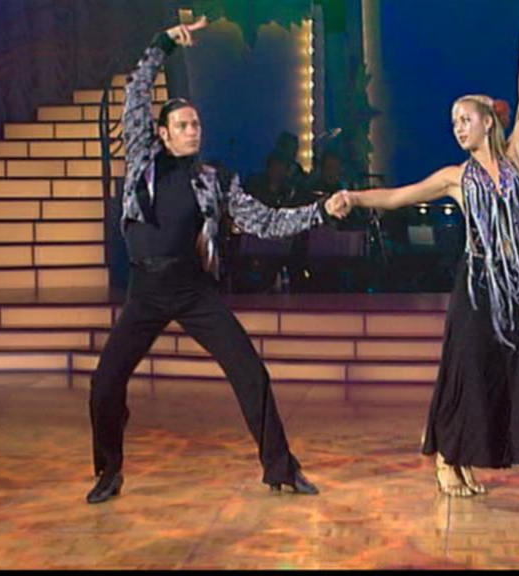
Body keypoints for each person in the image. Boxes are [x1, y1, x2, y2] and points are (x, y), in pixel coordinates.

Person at [87, 16, 350, 504]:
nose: (193, 130)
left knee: (251, 373)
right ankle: (109, 471)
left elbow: (265, 221)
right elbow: (136, 92)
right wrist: (164, 42)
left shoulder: (214, 180)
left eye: (196, 124)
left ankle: (281, 468)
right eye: (183, 125)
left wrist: (319, 212)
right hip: (145, 291)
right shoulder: (142, 160)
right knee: (105, 383)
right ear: (162, 133)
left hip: (192, 290)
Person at [334, 17, 519, 497]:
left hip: (511, 289)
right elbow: (398, 196)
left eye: (465, 120)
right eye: (453, 123)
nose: (458, 128)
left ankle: (469, 455)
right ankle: (447, 457)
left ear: (488, 121)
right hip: (475, 285)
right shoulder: (456, 176)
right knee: (467, 369)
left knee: (506, 370)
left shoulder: (516, 160)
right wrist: (354, 197)